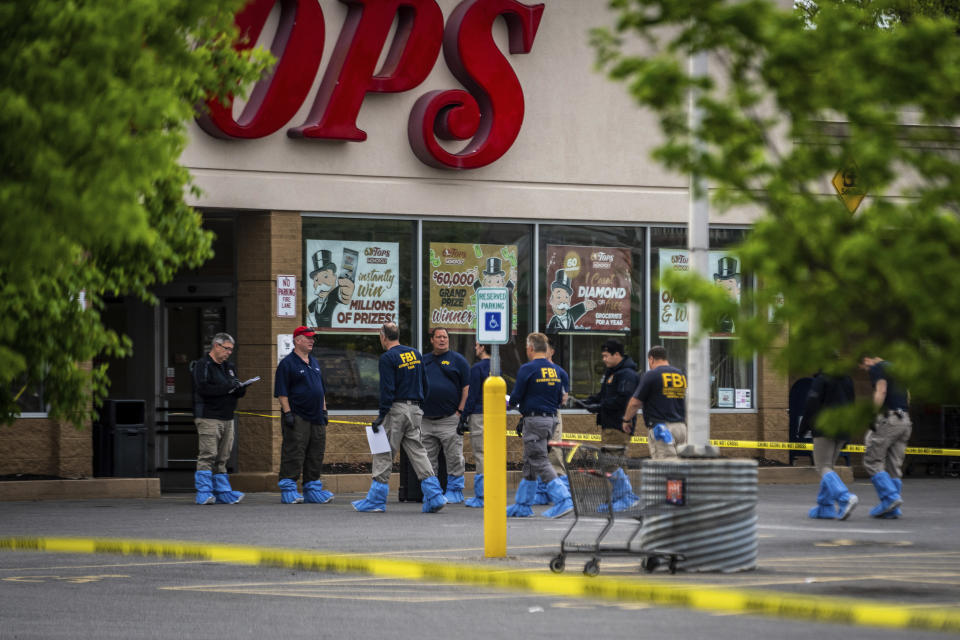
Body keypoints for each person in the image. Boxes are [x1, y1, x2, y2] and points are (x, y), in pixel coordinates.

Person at [352, 322, 446, 513]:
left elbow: (387, 389)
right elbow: (425, 384)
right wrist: (419, 406)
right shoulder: (415, 354)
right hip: (415, 410)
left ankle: (376, 500)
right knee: (418, 452)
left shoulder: (388, 357)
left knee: (383, 452)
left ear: (383, 336)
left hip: (396, 410)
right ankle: (435, 496)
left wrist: (381, 414)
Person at [505, 332, 574, 518]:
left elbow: (516, 398)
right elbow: (563, 399)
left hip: (534, 420)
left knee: (540, 460)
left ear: (530, 348)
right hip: (551, 419)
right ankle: (523, 504)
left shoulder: (528, 369)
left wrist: (506, 404)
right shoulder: (559, 371)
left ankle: (563, 499)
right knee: (530, 460)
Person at [274, 326, 334, 505]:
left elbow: (321, 390)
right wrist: (288, 413)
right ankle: (288, 489)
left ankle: (312, 488)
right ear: (297, 340)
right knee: (294, 452)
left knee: (316, 453)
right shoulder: (288, 364)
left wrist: (324, 411)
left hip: (316, 416)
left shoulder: (314, 362)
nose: (311, 341)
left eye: (312, 338)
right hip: (297, 416)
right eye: (307, 338)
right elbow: (282, 393)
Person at [580, 339, 641, 511]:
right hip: (609, 424)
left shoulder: (627, 374)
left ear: (617, 354)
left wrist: (600, 406)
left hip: (618, 425)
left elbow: (623, 400)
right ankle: (621, 498)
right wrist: (588, 402)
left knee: (610, 462)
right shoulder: (612, 372)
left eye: (607, 356)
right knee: (617, 462)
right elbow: (604, 395)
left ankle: (626, 497)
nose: (604, 359)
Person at [191, 332, 246, 505]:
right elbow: (203, 389)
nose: (229, 352)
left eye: (231, 349)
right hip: (208, 416)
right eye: (227, 349)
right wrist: (227, 387)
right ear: (216, 346)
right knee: (208, 454)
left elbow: (234, 387)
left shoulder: (228, 367)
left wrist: (240, 388)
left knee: (223, 456)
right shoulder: (203, 365)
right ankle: (204, 491)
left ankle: (222, 490)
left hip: (227, 416)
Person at [421, 327, 470, 503]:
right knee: (426, 459)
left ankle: (455, 491)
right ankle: (432, 493)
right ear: (432, 340)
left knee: (454, 457)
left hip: (449, 419)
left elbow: (466, 388)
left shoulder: (458, 360)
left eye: (445, 337)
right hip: (425, 420)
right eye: (439, 337)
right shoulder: (423, 361)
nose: (442, 340)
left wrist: (460, 412)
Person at [802, 371, 858, 519]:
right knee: (829, 468)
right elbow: (852, 404)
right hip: (843, 428)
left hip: (825, 428)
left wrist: (803, 428)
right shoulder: (847, 379)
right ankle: (825, 507)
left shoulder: (821, 379)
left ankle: (845, 498)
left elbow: (811, 404)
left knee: (822, 467)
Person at [859, 356, 911, 518]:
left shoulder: (877, 368)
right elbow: (908, 395)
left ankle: (890, 498)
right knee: (893, 465)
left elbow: (881, 390)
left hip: (890, 418)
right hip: (905, 420)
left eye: (864, 368)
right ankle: (893, 510)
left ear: (867, 360)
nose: (867, 371)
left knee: (871, 460)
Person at [622, 345, 687, 458]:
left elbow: (635, 402)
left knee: (665, 466)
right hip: (681, 428)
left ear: (651, 359)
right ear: (665, 358)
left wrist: (626, 420)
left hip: (662, 429)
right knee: (681, 464)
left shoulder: (652, 375)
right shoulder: (680, 375)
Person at [532, 339, 570, 506]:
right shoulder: (533, 370)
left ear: (551, 352)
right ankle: (541, 489)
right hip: (535, 415)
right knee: (537, 451)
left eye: (545, 349)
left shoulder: (559, 372)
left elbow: (563, 398)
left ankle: (561, 490)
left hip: (552, 413)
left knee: (554, 451)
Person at [459, 342, 490, 507]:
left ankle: (482, 495)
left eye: (477, 345)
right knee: (492, 453)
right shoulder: (498, 367)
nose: (475, 348)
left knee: (481, 453)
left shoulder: (477, 368)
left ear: (483, 347)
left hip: (478, 414)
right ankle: (494, 490)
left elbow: (472, 395)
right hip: (495, 415)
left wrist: (464, 417)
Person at [307, 249, 354, 328]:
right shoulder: (314, 304)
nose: (320, 283)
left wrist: (347, 287)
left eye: (325, 276)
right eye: (316, 280)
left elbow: (344, 292)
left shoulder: (334, 295)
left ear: (334, 278)